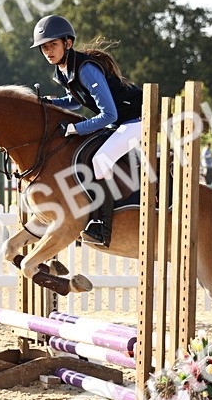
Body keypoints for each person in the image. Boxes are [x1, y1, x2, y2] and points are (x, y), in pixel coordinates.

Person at [32, 14, 143, 247]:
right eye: (44, 48)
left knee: (101, 159)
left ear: (68, 43)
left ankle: (101, 225)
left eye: (53, 45)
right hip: (119, 122)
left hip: (137, 119)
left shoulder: (86, 69)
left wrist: (75, 128)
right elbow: (76, 101)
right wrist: (51, 103)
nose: (48, 51)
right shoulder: (63, 70)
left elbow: (109, 114)